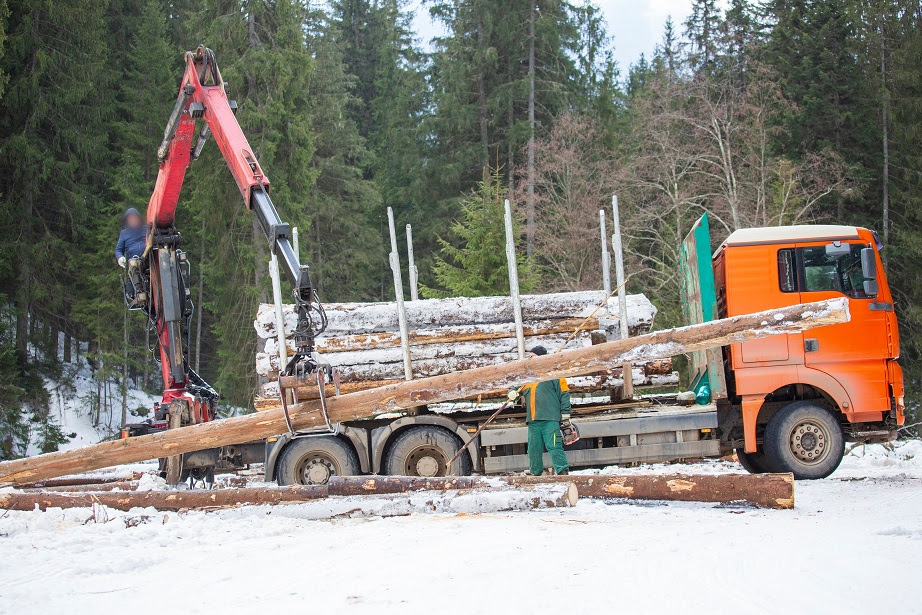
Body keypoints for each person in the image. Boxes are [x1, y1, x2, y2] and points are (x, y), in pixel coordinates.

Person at [514, 345, 572, 476]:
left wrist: (565, 415)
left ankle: (562, 471)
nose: (529, 359)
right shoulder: (527, 378)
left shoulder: (554, 375)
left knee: (554, 446)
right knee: (533, 449)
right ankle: (535, 474)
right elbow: (515, 389)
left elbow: (564, 395)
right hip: (533, 421)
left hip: (549, 420)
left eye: (532, 357)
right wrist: (512, 393)